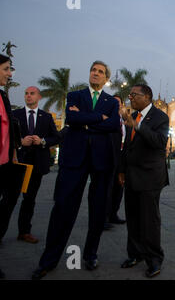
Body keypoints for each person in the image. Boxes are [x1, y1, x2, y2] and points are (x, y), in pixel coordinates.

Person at [32, 61, 120, 280]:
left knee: (98, 210)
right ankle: (48, 260)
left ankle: (91, 253)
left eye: (100, 72)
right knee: (63, 208)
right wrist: (98, 118)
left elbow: (113, 125)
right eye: (93, 70)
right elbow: (71, 118)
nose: (96, 74)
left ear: (106, 78)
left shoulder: (111, 102)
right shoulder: (75, 95)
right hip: (74, 159)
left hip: (101, 161)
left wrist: (86, 121)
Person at [118, 84, 169, 278]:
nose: (130, 98)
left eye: (134, 95)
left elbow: (159, 141)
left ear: (147, 96)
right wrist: (121, 171)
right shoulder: (132, 116)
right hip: (131, 176)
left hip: (150, 177)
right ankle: (135, 254)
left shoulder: (160, 117)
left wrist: (136, 125)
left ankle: (154, 259)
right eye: (129, 95)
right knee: (132, 218)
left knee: (149, 220)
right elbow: (127, 147)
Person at [0, 87, 61, 244]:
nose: (28, 96)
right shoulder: (15, 115)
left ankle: (24, 231)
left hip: (36, 166)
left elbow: (55, 137)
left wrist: (42, 141)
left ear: (38, 97)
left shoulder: (46, 117)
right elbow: (6, 137)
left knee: (29, 200)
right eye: (26, 93)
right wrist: (20, 142)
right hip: (16, 164)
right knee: (8, 200)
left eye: (32, 93)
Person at [0, 54, 21, 279]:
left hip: (5, 162)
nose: (9, 74)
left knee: (9, 200)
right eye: (6, 69)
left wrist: (14, 152)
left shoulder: (3, 97)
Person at [104, 94, 126, 230]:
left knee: (119, 187)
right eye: (114, 102)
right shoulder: (107, 119)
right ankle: (103, 217)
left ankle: (113, 214)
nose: (116, 104)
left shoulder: (124, 120)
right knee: (107, 188)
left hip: (122, 159)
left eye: (118, 102)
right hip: (109, 157)